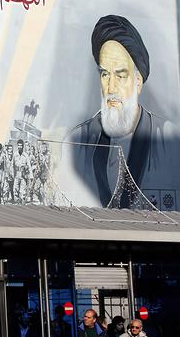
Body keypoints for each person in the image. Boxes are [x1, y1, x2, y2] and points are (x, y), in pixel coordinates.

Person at [66, 14, 178, 208]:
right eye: (105, 74)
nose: (110, 88)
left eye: (120, 75)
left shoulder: (170, 141)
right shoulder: (78, 140)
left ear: (138, 81)